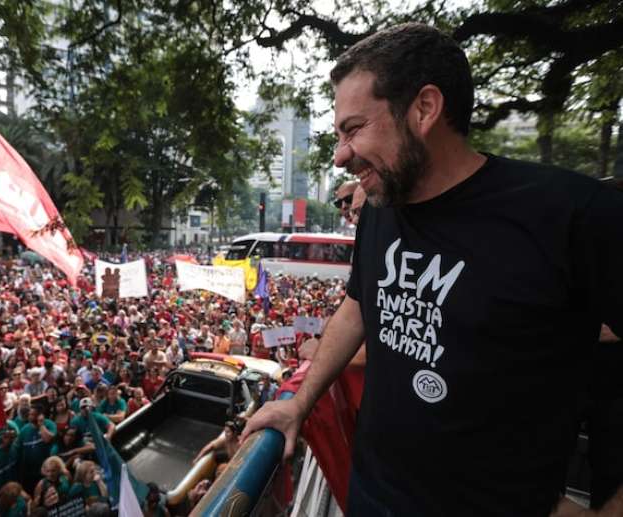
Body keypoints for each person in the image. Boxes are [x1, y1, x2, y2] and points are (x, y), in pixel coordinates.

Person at [242, 22, 623, 516]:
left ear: (424, 108)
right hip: (372, 499)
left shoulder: (576, 216)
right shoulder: (380, 210)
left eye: (353, 129)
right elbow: (357, 309)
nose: (340, 155)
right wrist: (300, 401)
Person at [16, 404, 57, 494]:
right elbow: (17, 449)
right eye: (30, 414)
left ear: (40, 415)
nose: (30, 416)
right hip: (29, 472)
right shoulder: (24, 430)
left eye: (33, 414)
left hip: (47, 471)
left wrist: (41, 425)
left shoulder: (49, 424)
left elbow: (47, 439)